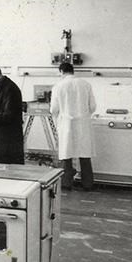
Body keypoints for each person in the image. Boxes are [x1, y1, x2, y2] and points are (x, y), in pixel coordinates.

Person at [49, 61, 95, 191]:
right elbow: (92, 107)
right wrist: (83, 114)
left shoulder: (58, 86)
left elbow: (53, 109)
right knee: (85, 154)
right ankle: (88, 184)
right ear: (73, 71)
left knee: (66, 155)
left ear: (61, 72)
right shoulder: (85, 84)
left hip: (66, 124)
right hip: (83, 124)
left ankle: (66, 184)